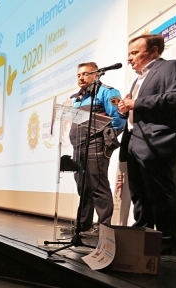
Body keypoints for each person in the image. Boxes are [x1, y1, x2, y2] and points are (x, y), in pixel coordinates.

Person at [118, 34, 176, 250]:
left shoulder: (172, 67)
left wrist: (137, 103)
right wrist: (125, 109)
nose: (130, 58)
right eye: (129, 54)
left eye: (134, 53)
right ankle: (142, 235)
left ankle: (165, 240)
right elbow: (137, 109)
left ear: (154, 50)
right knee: (139, 194)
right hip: (134, 140)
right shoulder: (137, 78)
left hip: (158, 141)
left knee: (160, 193)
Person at [67, 62, 125, 233]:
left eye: (85, 74)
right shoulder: (77, 98)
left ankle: (104, 227)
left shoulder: (107, 92)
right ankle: (83, 225)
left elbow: (119, 118)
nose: (81, 78)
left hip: (96, 144)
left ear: (96, 74)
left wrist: (104, 137)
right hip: (79, 146)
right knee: (82, 186)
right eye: (78, 75)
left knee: (98, 185)